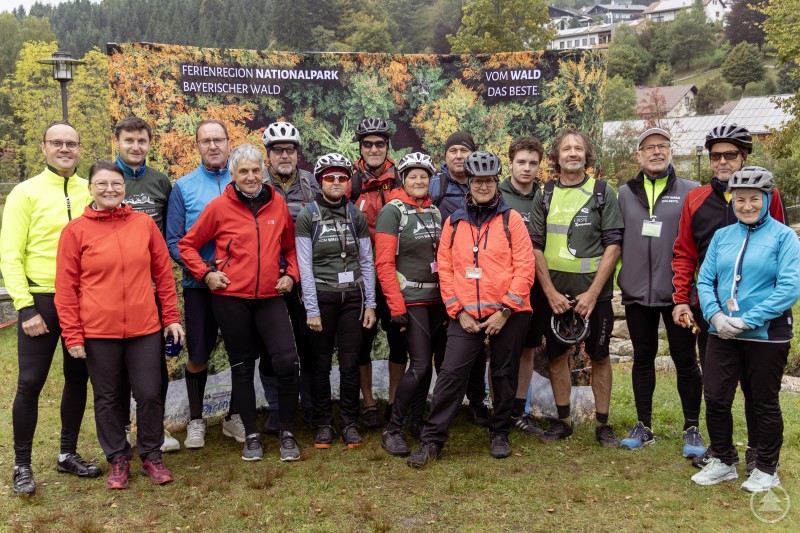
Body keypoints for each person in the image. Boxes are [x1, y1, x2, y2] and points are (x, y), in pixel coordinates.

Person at [55, 160, 184, 489]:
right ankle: (117, 459)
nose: (109, 189)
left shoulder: (144, 224)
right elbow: (66, 289)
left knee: (150, 393)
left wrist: (170, 317)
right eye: (102, 184)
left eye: (116, 183)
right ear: (90, 188)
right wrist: (72, 334)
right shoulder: (75, 232)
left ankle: (151, 455)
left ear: (124, 188)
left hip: (144, 328)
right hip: (98, 331)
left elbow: (163, 275)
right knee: (108, 397)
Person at [407, 151, 535, 467]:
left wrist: (505, 311)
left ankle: (499, 431)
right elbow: (446, 268)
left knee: (503, 373)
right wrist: (458, 311)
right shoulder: (454, 221)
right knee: (451, 374)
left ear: (496, 183)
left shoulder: (511, 220)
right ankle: (432, 440)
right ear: (470, 183)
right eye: (477, 181)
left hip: (508, 312)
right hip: (466, 314)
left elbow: (525, 267)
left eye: (489, 181)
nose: (483, 187)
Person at [672, 123, 788, 473]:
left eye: (730, 154)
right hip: (710, 310)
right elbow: (684, 252)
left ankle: (756, 450)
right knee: (716, 387)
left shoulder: (767, 194)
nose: (722, 161)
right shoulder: (695, 199)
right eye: (715, 155)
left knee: (756, 389)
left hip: (758, 313)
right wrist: (681, 298)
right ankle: (721, 450)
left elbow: (778, 246)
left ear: (744, 156)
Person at [178, 144, 301, 462]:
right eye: (243, 171)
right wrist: (206, 274)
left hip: (270, 297)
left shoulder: (277, 203)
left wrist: (292, 275)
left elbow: (290, 247)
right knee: (243, 367)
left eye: (255, 170)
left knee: (287, 361)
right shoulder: (219, 207)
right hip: (231, 299)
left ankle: (287, 432)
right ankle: (252, 436)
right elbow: (187, 245)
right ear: (233, 174)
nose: (250, 176)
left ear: (263, 172)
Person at [1, 120, 100, 496]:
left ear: (79, 149)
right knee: (30, 383)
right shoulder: (25, 193)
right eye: (56, 143)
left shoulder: (90, 190)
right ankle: (22, 465)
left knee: (78, 378)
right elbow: (10, 255)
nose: (64, 149)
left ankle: (67, 453)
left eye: (71, 144)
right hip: (41, 299)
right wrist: (25, 308)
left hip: (83, 300)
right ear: (44, 148)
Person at [691, 167, 800, 491]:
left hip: (766, 335)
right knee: (715, 397)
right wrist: (715, 317)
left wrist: (748, 320)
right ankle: (723, 460)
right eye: (740, 199)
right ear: (733, 201)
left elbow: (789, 288)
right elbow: (705, 280)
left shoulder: (784, 237)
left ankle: (766, 467)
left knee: (763, 402)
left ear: (767, 199)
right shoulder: (723, 236)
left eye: (754, 198)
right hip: (722, 333)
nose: (747, 205)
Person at [529, 130, 623, 447]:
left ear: (586, 155)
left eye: (578, 148)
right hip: (556, 296)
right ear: (557, 156)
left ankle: (603, 424)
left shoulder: (602, 192)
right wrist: (550, 293)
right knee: (556, 357)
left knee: (600, 356)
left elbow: (614, 246)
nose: (572, 153)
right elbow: (535, 247)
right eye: (566, 148)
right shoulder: (544, 194)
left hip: (595, 295)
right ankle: (564, 422)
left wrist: (593, 293)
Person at [616, 128, 705, 457]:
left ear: (670, 151)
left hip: (678, 295)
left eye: (662, 146)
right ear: (639, 155)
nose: (656, 152)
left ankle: (692, 428)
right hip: (637, 293)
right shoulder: (624, 194)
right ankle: (644, 426)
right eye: (649, 147)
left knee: (685, 360)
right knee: (642, 358)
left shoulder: (692, 191)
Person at [166, 120, 245, 449]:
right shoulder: (183, 187)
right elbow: (173, 241)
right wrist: (203, 272)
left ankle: (234, 416)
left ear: (228, 143)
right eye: (206, 141)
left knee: (242, 352)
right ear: (197, 145)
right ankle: (196, 420)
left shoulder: (245, 180)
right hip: (200, 285)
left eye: (218, 140)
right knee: (198, 353)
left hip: (240, 286)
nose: (213, 146)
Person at [296, 153, 377, 449]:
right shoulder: (308, 215)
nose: (336, 182)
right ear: (320, 181)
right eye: (330, 177)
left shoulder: (355, 215)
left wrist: (371, 304)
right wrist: (312, 309)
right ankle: (322, 424)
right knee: (320, 364)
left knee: (350, 363)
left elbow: (366, 261)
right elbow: (304, 266)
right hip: (322, 297)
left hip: (353, 298)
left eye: (342, 178)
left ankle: (349, 423)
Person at [113, 115, 179, 453]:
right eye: (129, 140)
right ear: (117, 142)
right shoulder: (107, 180)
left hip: (151, 290)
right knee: (117, 367)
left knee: (153, 365)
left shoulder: (160, 181)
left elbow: (166, 237)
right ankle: (123, 428)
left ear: (149, 143)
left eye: (142, 141)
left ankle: (155, 427)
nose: (136, 147)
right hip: (113, 291)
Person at [376, 152, 445, 456]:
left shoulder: (434, 211)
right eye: (413, 176)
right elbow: (383, 264)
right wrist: (396, 307)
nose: (419, 181)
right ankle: (392, 429)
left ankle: (416, 420)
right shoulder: (392, 211)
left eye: (424, 176)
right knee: (418, 364)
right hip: (411, 298)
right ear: (403, 180)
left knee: (427, 363)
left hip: (435, 299)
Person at [428, 131, 492, 427]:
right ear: (445, 156)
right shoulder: (435, 185)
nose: (458, 156)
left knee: (477, 347)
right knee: (445, 347)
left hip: (478, 282)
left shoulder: (485, 184)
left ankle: (477, 402)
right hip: (445, 276)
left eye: (464, 150)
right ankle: (447, 405)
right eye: (452, 150)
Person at [260, 121, 318, 434]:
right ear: (268, 154)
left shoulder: (312, 183)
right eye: (278, 150)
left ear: (297, 153)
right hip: (269, 279)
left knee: (309, 343)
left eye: (290, 149)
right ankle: (276, 408)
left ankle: (310, 406)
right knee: (271, 348)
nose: (285, 155)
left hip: (306, 277)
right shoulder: (256, 181)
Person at [349, 117, 406, 428]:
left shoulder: (402, 179)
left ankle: (395, 401)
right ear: (360, 147)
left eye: (379, 144)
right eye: (367, 144)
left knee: (399, 339)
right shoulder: (350, 182)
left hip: (396, 274)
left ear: (387, 147)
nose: (373, 149)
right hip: (362, 276)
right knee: (361, 342)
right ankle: (369, 403)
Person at [497, 136, 547, 436]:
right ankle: (498, 408)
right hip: (503, 286)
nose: (527, 168)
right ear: (511, 163)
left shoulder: (545, 197)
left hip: (536, 285)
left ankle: (519, 409)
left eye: (533, 163)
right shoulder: (497, 194)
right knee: (500, 351)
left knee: (528, 348)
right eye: (521, 162)